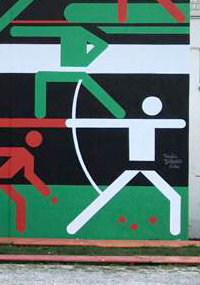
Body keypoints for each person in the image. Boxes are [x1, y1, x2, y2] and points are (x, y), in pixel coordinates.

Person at [64, 96, 185, 235]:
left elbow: (179, 123)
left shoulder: (141, 122)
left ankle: (175, 230)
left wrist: (73, 123)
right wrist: (73, 122)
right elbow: (104, 123)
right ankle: (75, 226)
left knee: (174, 197)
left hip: (147, 167)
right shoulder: (137, 122)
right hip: (135, 167)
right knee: (108, 194)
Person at [0, 130, 55, 233]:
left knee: (20, 201)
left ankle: (18, 229)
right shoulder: (23, 153)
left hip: (1, 181)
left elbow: (30, 176)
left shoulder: (28, 156)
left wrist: (46, 192)